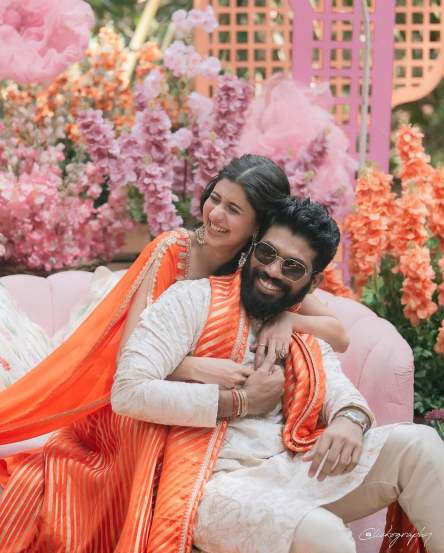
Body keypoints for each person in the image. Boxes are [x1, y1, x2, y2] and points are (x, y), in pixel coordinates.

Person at [109, 196, 443, 553]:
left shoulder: (294, 322)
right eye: (267, 253)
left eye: (292, 268)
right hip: (214, 482)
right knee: (324, 533)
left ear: (312, 283)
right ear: (252, 247)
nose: (272, 271)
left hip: (292, 466)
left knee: (420, 446)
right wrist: (239, 402)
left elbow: (336, 385)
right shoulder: (192, 300)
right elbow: (128, 390)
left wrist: (350, 418)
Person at [0, 154, 348, 445]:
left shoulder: (260, 266)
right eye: (215, 198)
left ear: (258, 226)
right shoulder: (174, 250)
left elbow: (339, 334)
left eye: (233, 210)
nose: (215, 215)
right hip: (131, 386)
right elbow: (127, 354)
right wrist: (195, 367)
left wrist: (288, 319)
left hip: (200, 410)